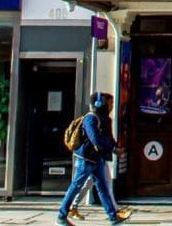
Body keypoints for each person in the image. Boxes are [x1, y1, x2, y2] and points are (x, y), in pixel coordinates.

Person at [56, 92, 131, 226]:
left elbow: (108, 138)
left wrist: (116, 148)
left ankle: (113, 217)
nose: (112, 106)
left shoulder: (105, 119)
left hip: (97, 159)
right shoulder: (91, 118)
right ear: (99, 103)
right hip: (85, 159)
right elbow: (95, 138)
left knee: (102, 187)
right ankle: (61, 217)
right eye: (110, 103)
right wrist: (113, 149)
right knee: (76, 186)